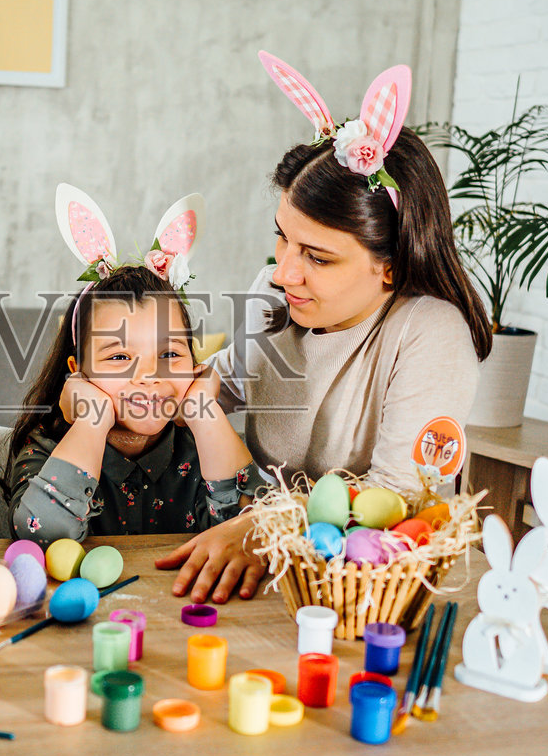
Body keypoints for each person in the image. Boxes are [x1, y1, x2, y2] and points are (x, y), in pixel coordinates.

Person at [155, 53, 492, 604]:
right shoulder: (274, 295)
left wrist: (263, 525)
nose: (283, 271)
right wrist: (124, 388)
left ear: (392, 265)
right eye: (282, 237)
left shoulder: (428, 332)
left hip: (369, 590)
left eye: (317, 256)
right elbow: (217, 387)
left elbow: (398, 496)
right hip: (273, 570)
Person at [2, 187, 254, 544]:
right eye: (119, 357)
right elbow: (41, 533)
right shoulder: (46, 447)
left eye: (169, 355)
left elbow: (258, 528)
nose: (148, 377)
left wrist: (204, 410)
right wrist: (92, 419)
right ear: (78, 373)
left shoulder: (206, 444)